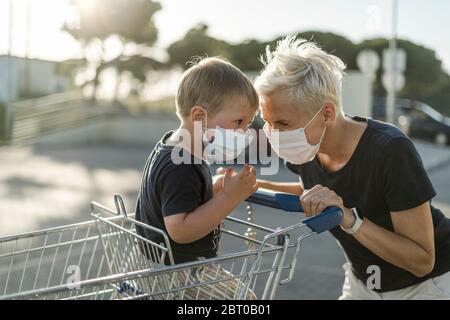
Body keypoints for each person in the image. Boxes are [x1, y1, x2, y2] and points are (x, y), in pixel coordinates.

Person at [253, 35, 450, 299]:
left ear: (327, 113)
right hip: (363, 283)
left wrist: (350, 220)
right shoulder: (307, 148)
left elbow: (421, 260)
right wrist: (247, 186)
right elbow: (313, 192)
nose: (273, 133)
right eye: (268, 122)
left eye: (283, 124)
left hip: (428, 285)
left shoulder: (390, 150)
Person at [135, 56, 258, 299]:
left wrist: (216, 188)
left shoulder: (176, 150)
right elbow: (179, 229)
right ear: (200, 117)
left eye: (248, 124)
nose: (244, 132)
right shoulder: (181, 165)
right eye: (239, 122)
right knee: (246, 302)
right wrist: (230, 199)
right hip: (181, 273)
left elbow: (178, 199)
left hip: (166, 268)